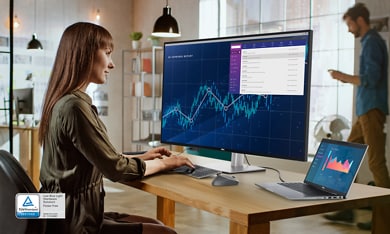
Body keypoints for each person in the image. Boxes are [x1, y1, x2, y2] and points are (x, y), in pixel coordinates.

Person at [38, 22, 194, 234]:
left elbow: (98, 158)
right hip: (73, 222)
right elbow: (116, 170)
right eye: (108, 53)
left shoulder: (64, 101)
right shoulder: (74, 107)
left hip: (64, 214)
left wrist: (142, 157)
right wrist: (168, 163)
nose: (111, 64)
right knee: (167, 233)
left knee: (158, 226)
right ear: (85, 54)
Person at [324, 3, 390, 232]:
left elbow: (370, 79)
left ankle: (383, 222)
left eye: (350, 24)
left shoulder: (372, 41)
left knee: (376, 164)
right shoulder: (368, 42)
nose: (349, 29)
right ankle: (348, 208)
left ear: (360, 20)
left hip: (371, 111)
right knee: (346, 156)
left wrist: (343, 77)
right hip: (364, 111)